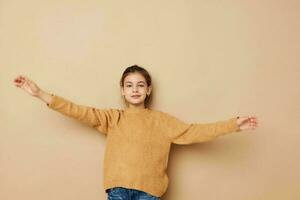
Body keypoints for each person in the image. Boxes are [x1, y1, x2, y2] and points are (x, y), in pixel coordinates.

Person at [13, 65, 258, 200]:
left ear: (148, 89)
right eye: (129, 85)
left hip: (150, 193)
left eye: (140, 85)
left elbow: (194, 132)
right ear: (122, 90)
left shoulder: (162, 121)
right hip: (118, 189)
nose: (135, 89)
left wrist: (233, 125)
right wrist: (39, 93)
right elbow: (78, 111)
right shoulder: (113, 118)